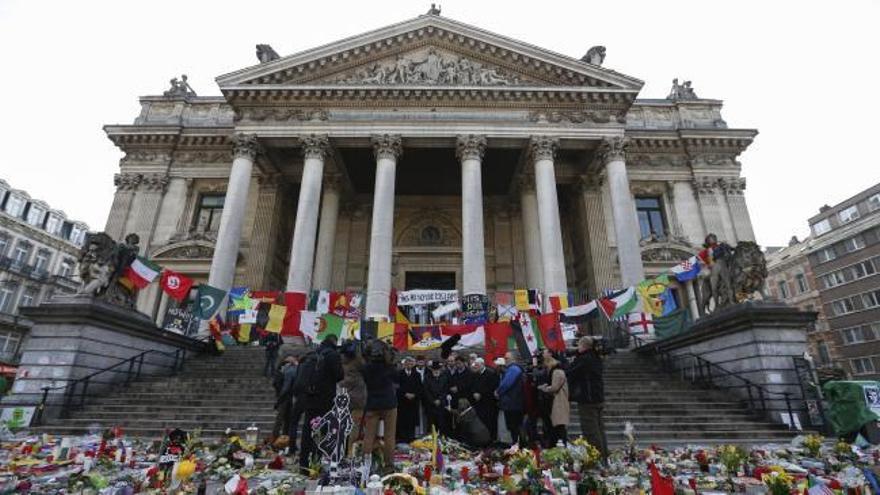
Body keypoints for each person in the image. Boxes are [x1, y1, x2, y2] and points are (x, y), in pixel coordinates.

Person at [295, 335, 344, 472]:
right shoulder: (332, 355)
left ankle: (303, 463)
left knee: (307, 430)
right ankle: (316, 462)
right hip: (325, 398)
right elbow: (339, 375)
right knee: (322, 431)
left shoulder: (314, 353)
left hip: (310, 397)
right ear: (334, 342)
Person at [361, 339, 399, 473]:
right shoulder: (389, 367)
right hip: (389, 403)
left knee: (369, 436)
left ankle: (366, 465)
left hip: (372, 403)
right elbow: (397, 378)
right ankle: (389, 466)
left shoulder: (366, 368)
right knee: (389, 436)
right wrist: (392, 357)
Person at [568, 337, 608, 462]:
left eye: (578, 346)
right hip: (597, 397)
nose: (576, 348)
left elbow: (570, 372)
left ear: (583, 346)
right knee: (600, 429)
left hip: (588, 399)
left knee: (591, 431)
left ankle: (597, 458)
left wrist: (571, 360)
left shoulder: (584, 359)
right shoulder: (596, 357)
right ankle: (604, 456)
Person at [340, 341, 367, 457]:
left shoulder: (343, 361)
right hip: (358, 398)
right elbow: (365, 366)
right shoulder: (357, 362)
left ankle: (344, 450)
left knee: (345, 426)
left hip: (346, 396)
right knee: (355, 427)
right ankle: (351, 452)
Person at [538, 350, 570, 445]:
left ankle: (561, 444)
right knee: (557, 425)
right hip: (556, 401)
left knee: (559, 425)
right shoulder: (557, 371)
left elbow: (554, 387)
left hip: (559, 401)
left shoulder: (557, 372)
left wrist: (544, 388)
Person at [495, 353, 525, 446]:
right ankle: (517, 445)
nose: (505, 360)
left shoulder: (513, 369)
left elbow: (506, 384)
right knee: (514, 427)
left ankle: (517, 446)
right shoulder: (513, 369)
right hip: (513, 402)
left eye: (507, 358)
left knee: (514, 427)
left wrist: (498, 391)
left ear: (513, 359)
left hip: (513, 403)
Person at [469, 357, 500, 442]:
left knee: (490, 422)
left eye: (477, 365)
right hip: (479, 404)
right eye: (475, 365)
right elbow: (472, 386)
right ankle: (483, 439)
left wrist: (481, 394)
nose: (475, 367)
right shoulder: (475, 374)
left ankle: (492, 439)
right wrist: (474, 392)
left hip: (489, 403)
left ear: (482, 365)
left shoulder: (491, 374)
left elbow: (492, 388)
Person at [272, 354, 298, 440]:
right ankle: (279, 437)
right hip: (285, 396)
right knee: (283, 418)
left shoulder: (282, 368)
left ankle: (281, 437)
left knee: (285, 418)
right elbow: (285, 386)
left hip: (284, 396)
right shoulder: (289, 369)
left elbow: (276, 384)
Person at [397, 356, 422, 442]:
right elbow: (397, 386)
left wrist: (414, 394)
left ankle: (411, 437)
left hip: (413, 402)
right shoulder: (399, 374)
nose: (409, 364)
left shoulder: (417, 375)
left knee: (412, 421)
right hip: (402, 401)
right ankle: (402, 438)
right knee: (402, 420)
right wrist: (405, 394)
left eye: (411, 363)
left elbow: (420, 387)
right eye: (407, 363)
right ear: (404, 364)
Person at [422, 361, 451, 435]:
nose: (436, 371)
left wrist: (440, 399)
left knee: (441, 423)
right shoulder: (427, 378)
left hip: (441, 404)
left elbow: (445, 390)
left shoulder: (444, 377)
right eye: (434, 369)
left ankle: (442, 438)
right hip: (430, 405)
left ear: (440, 369)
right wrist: (433, 400)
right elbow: (426, 391)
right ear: (432, 370)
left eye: (438, 369)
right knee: (431, 424)